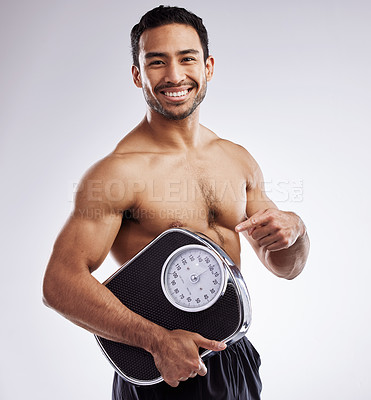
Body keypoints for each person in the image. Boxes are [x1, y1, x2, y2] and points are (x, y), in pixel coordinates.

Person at [42, 5, 310, 400]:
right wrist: (156, 341)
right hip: (162, 370)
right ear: (138, 75)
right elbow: (59, 283)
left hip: (235, 357)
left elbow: (285, 266)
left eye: (187, 58)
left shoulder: (236, 159)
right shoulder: (118, 173)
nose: (174, 75)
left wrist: (296, 229)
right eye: (156, 62)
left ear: (209, 67)